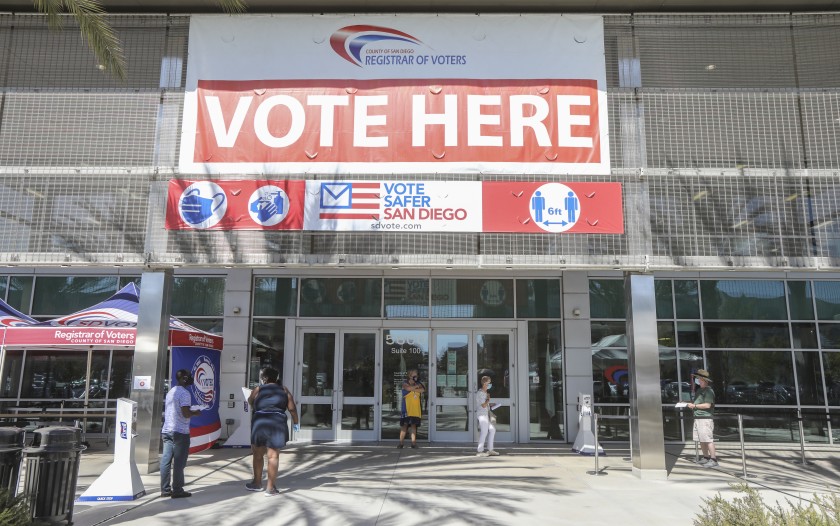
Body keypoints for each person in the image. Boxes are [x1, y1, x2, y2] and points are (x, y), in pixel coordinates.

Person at [246, 367, 299, 496]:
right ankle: (270, 488)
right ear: (276, 377)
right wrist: (296, 422)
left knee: (257, 454)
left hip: (259, 423)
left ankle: (257, 483)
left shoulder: (258, 389)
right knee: (273, 456)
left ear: (264, 378)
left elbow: (250, 401)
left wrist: (256, 404)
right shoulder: (284, 390)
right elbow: (291, 409)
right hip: (277, 423)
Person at [160, 369, 201, 498]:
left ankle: (165, 489)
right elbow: (185, 413)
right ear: (184, 378)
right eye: (189, 376)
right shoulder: (185, 393)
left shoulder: (171, 392)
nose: (191, 378)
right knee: (179, 462)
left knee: (166, 460)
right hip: (180, 432)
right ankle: (177, 489)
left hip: (167, 430)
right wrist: (195, 412)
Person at [687, 369, 717, 468]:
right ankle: (706, 457)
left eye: (699, 379)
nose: (698, 380)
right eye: (698, 379)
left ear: (704, 380)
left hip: (705, 418)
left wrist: (694, 406)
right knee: (701, 439)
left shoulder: (708, 391)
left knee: (708, 439)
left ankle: (713, 459)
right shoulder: (700, 390)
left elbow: (708, 405)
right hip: (698, 417)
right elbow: (698, 403)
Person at [398, 369, 425, 449]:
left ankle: (413, 443)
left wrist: (414, 387)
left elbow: (422, 390)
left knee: (414, 426)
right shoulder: (405, 383)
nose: (416, 376)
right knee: (404, 426)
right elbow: (407, 389)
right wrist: (416, 387)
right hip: (406, 409)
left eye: (416, 375)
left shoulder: (418, 383)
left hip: (415, 410)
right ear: (410, 376)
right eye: (414, 375)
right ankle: (401, 443)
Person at [475, 375, 499, 457]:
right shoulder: (480, 393)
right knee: (484, 431)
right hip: (482, 414)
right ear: (485, 383)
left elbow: (486, 405)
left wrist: (491, 404)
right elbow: (483, 405)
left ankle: (490, 450)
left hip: (487, 414)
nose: (490, 384)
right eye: (489, 382)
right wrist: (488, 399)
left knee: (492, 430)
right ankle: (480, 451)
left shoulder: (485, 393)